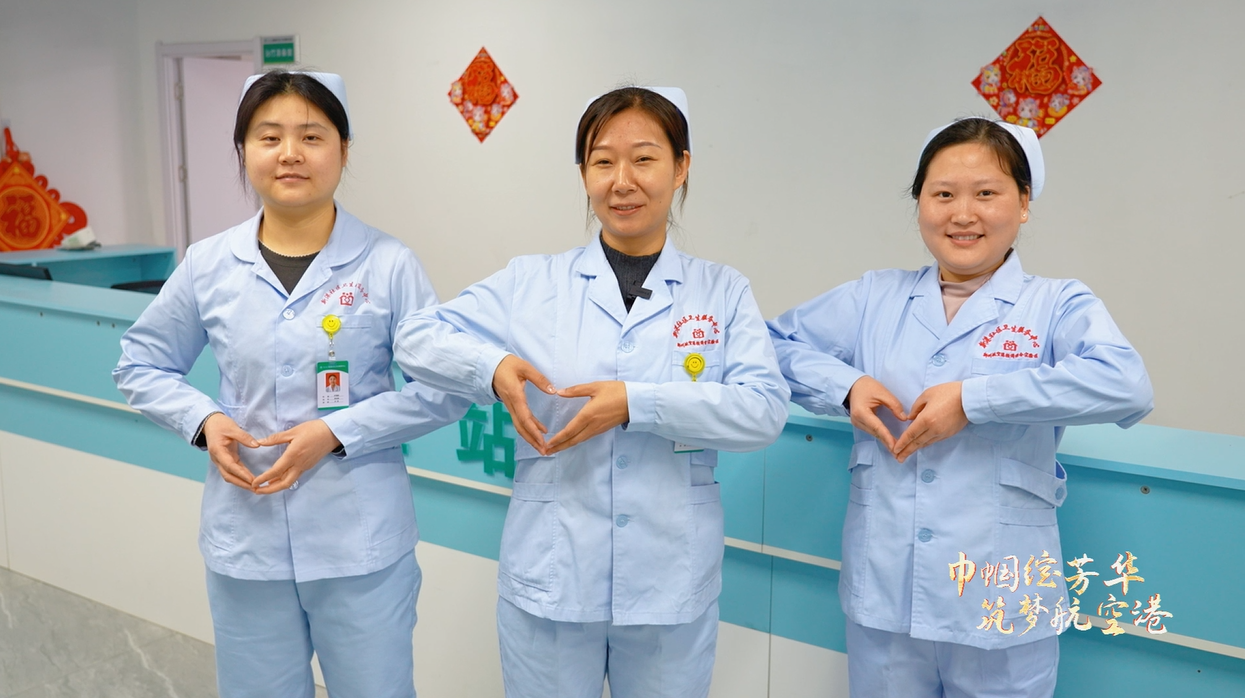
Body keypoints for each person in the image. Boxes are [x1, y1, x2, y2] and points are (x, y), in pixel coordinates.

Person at [392, 86, 789, 698]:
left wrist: (637, 402)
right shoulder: (532, 282)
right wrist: (493, 366)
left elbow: (763, 411)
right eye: (603, 161)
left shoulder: (721, 291)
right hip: (552, 570)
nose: (622, 181)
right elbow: (415, 338)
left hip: (668, 580)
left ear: (682, 166)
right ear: (583, 174)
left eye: (644, 159)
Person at [767, 117, 1153, 698]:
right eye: (943, 194)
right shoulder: (875, 295)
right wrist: (845, 386)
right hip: (887, 592)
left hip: (1001, 597)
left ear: (1024, 203)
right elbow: (769, 344)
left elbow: (1126, 384)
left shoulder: (1055, 303)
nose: (963, 214)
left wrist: (975, 399)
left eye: (986, 193)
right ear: (920, 202)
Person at [113, 70, 466, 698]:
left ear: (344, 149)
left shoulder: (389, 264)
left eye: (312, 136)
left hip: (359, 543)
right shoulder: (208, 264)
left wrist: (337, 431)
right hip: (247, 538)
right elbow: (140, 363)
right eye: (269, 136)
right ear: (243, 150)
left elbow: (443, 390)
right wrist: (204, 421)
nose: (290, 154)